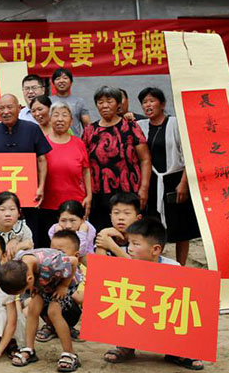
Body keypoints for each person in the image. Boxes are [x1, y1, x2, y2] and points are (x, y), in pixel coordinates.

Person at [102, 218, 203, 370]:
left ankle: (177, 351)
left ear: (155, 249)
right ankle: (126, 345)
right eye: (129, 243)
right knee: (125, 302)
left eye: (136, 244)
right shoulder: (123, 262)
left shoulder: (173, 268)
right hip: (137, 311)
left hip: (161, 314)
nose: (129, 248)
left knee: (181, 309)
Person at [137, 87, 200, 266]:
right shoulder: (141, 126)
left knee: (181, 228)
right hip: (152, 181)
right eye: (144, 102)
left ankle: (181, 265)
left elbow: (189, 154)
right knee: (154, 227)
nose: (148, 105)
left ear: (162, 104)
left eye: (152, 101)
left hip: (175, 180)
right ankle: (158, 264)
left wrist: (184, 183)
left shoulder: (175, 123)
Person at [0, 94, 52, 247]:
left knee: (31, 237)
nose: (5, 111)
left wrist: (41, 187)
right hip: (0, 198)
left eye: (9, 107)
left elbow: (42, 160)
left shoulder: (32, 129)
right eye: (1, 108)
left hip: (29, 195)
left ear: (19, 108)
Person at [0, 248, 82, 373]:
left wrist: (63, 286)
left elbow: (74, 261)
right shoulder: (18, 264)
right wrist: (34, 287)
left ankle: (70, 353)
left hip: (64, 281)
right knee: (33, 309)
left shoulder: (52, 263)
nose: (24, 293)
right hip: (42, 283)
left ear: (29, 279)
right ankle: (29, 349)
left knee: (53, 312)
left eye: (24, 290)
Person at [83, 86, 151, 232]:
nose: (105, 105)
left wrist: (144, 188)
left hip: (128, 192)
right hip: (99, 195)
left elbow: (145, 159)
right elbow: (85, 166)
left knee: (130, 233)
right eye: (100, 102)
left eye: (109, 101)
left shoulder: (131, 127)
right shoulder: (90, 131)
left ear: (118, 104)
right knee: (102, 234)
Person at [39, 102, 92, 234]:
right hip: (49, 204)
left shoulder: (78, 143)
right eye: (56, 115)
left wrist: (89, 195)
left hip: (75, 204)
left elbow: (86, 170)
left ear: (71, 120)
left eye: (64, 115)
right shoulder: (42, 143)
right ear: (50, 119)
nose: (60, 119)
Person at [95, 193, 161, 261]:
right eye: (116, 213)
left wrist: (112, 246)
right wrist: (103, 234)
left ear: (138, 218)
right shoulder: (106, 236)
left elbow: (140, 268)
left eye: (127, 213)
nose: (121, 218)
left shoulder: (142, 240)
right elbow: (99, 266)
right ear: (111, 217)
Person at [49, 229, 87, 309]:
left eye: (61, 252)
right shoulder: (50, 266)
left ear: (76, 256)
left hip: (72, 310)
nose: (55, 256)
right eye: (52, 251)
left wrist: (65, 288)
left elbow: (80, 298)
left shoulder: (79, 272)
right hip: (49, 301)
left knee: (53, 309)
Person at [50, 68, 90, 137]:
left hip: (74, 142)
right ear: (53, 83)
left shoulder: (79, 102)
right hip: (52, 143)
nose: (61, 81)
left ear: (71, 82)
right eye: (58, 79)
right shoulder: (48, 101)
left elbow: (87, 126)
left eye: (65, 78)